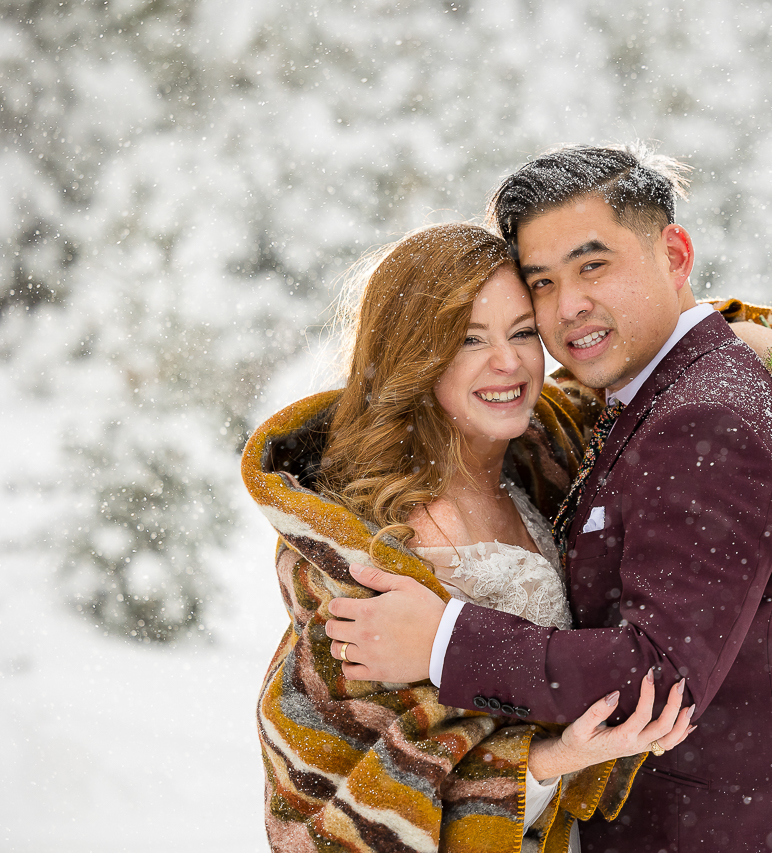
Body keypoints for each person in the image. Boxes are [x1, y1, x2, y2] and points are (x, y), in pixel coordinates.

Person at [325, 146, 772, 852]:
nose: (568, 306)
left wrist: (441, 642)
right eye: (542, 283)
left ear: (675, 254)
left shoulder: (706, 417)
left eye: (593, 266)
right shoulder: (655, 394)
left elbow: (658, 674)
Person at [242, 222, 694, 853]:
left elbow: (650, 370)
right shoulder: (376, 550)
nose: (507, 362)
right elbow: (364, 804)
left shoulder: (544, 464)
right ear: (416, 357)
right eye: (468, 340)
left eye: (523, 333)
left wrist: (735, 334)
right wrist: (554, 757)